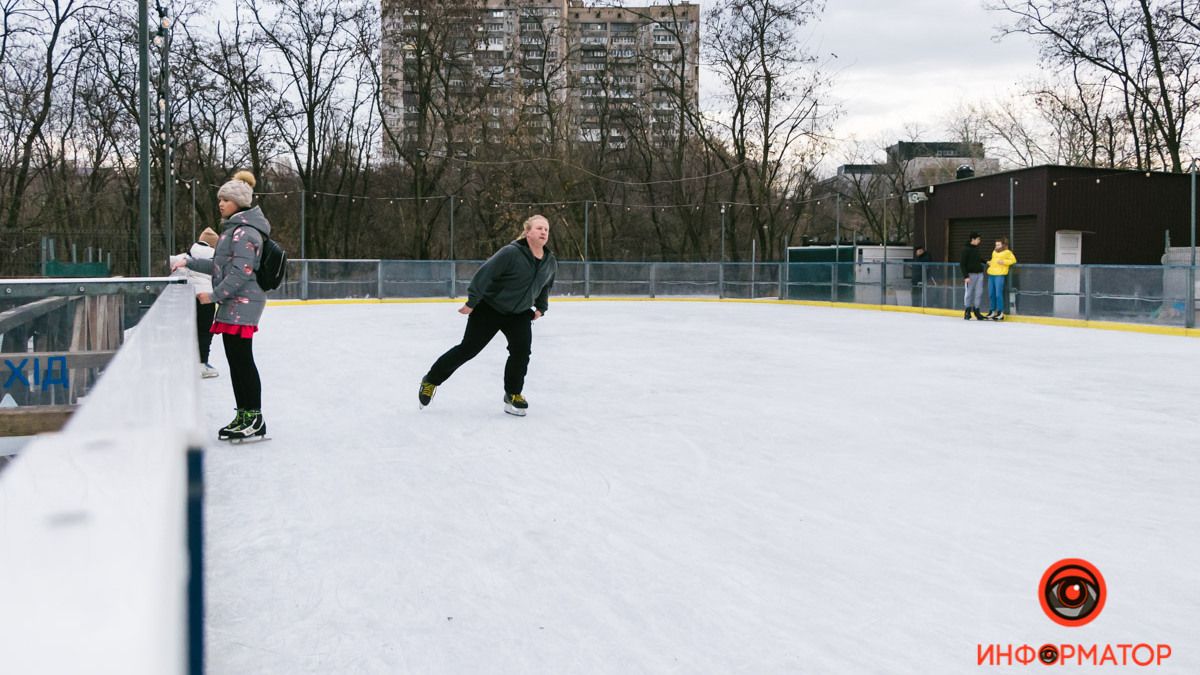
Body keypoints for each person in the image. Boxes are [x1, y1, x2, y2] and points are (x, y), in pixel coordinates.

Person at [418, 214, 557, 417]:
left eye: (546, 229)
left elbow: (546, 285)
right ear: (527, 232)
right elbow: (485, 274)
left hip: (519, 313)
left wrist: (541, 308)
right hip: (490, 308)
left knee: (521, 352)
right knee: (468, 349)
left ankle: (513, 394)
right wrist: (472, 301)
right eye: (538, 228)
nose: (543, 232)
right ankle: (431, 380)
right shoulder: (511, 253)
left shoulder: (549, 262)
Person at [172, 170, 271, 440]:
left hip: (243, 303)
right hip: (233, 303)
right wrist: (189, 262)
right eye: (220, 199)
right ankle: (244, 414)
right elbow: (219, 266)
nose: (221, 203)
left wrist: (212, 296)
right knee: (236, 362)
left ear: (239, 202)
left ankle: (254, 417)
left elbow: (241, 273)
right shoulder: (233, 231)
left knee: (242, 361)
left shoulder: (245, 233)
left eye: (226, 199)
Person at [171, 227, 221, 378]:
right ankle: (201, 364)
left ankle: (182, 363)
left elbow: (167, 262)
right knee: (204, 332)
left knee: (185, 331)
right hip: (205, 297)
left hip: (185, 296)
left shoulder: (185, 256)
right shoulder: (217, 258)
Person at [986, 237, 1017, 320]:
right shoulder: (994, 252)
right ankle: (992, 311)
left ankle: (1000, 312)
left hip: (999, 275)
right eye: (996, 245)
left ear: (1003, 245)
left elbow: (1013, 260)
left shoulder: (1007, 252)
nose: (997, 246)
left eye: (998, 245)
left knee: (998, 294)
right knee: (991, 293)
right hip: (991, 274)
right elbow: (993, 260)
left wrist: (1004, 262)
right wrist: (990, 263)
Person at [959, 233, 988, 320]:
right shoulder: (965, 249)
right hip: (970, 275)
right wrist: (966, 276)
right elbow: (962, 264)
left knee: (979, 292)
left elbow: (978, 258)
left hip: (979, 274)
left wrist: (986, 262)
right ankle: (967, 311)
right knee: (969, 293)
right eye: (978, 239)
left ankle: (976, 310)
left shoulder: (976, 249)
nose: (979, 241)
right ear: (973, 239)